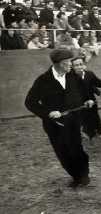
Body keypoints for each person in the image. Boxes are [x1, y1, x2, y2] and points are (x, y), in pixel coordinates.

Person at [25, 49, 94, 188]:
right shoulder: (43, 80)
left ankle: (84, 175)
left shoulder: (72, 75)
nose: (71, 64)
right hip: (54, 125)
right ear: (61, 63)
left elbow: (83, 90)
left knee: (77, 149)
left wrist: (88, 99)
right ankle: (76, 176)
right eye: (69, 62)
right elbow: (29, 102)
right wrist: (48, 113)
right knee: (63, 152)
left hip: (73, 121)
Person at [71, 56, 101, 140]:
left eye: (80, 64)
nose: (79, 67)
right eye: (76, 65)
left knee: (95, 116)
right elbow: (73, 93)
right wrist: (85, 102)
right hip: (79, 104)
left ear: (83, 65)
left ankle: (100, 131)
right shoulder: (70, 78)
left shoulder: (89, 74)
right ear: (72, 67)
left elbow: (96, 83)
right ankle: (86, 133)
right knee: (84, 118)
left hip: (92, 101)